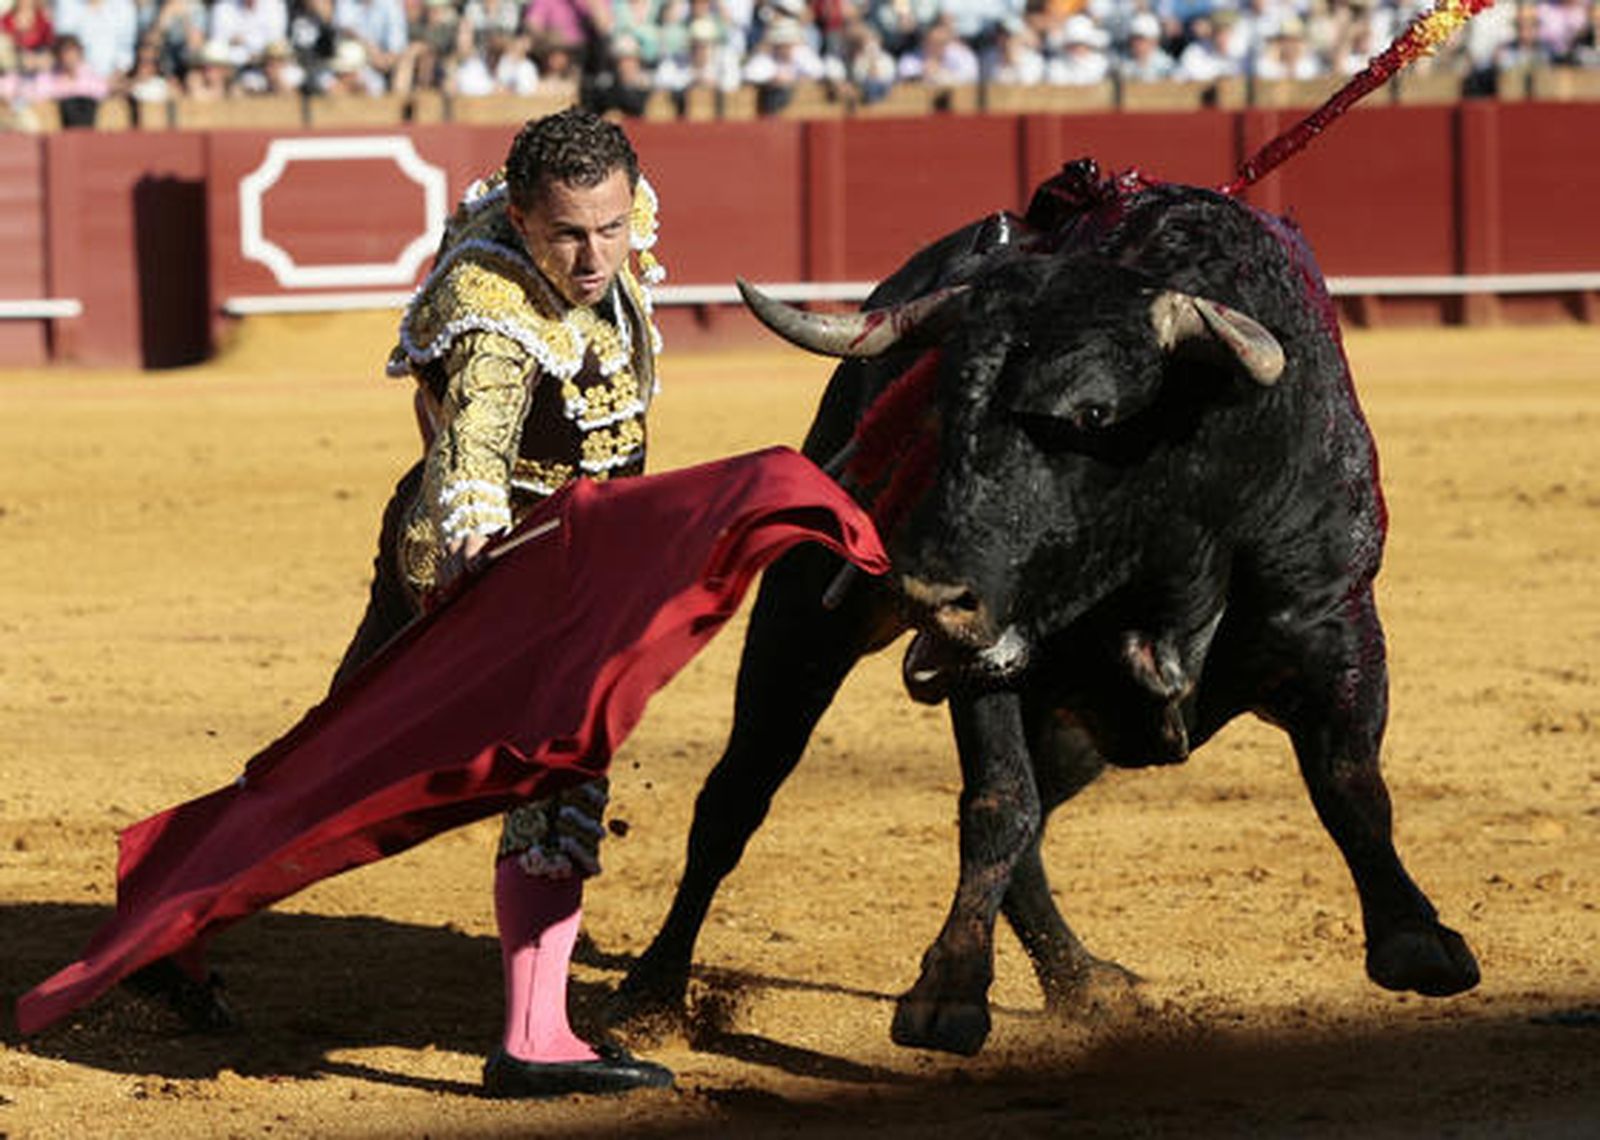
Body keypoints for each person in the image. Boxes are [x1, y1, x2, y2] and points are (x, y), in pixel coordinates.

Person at [333, 107, 674, 1099]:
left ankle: (173, 927)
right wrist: (485, 540)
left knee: (346, 757)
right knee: (552, 762)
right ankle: (534, 1039)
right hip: (490, 558)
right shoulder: (496, 311)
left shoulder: (600, 216)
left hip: (564, 551)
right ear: (522, 219)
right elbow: (476, 441)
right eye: (569, 233)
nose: (594, 253)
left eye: (610, 227)